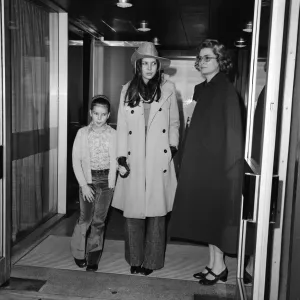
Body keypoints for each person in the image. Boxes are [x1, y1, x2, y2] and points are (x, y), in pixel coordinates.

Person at [170, 39, 244, 285]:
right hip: (202, 164)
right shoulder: (204, 88)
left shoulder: (225, 90)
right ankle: (214, 263)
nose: (201, 62)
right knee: (206, 217)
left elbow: (233, 133)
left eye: (207, 58)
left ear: (220, 61)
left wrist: (230, 169)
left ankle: (220, 266)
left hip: (218, 168)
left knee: (214, 217)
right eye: (200, 58)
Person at [111, 42, 180, 276]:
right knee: (133, 213)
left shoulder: (169, 89)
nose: (149, 68)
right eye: (145, 64)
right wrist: (120, 157)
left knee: (157, 216)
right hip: (134, 159)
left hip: (159, 159)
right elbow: (121, 127)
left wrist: (172, 148)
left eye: (153, 64)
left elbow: (174, 124)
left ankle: (151, 261)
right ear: (138, 66)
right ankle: (135, 259)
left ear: (158, 66)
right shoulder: (127, 90)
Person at [70, 95, 117, 272]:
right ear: (90, 113)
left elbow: (118, 158)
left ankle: (93, 257)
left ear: (108, 115)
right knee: (85, 219)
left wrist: (120, 168)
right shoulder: (82, 133)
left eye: (103, 114)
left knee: (99, 221)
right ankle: (78, 252)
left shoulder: (114, 134)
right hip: (88, 181)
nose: (99, 118)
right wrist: (83, 185)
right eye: (96, 113)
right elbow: (76, 161)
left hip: (107, 182)